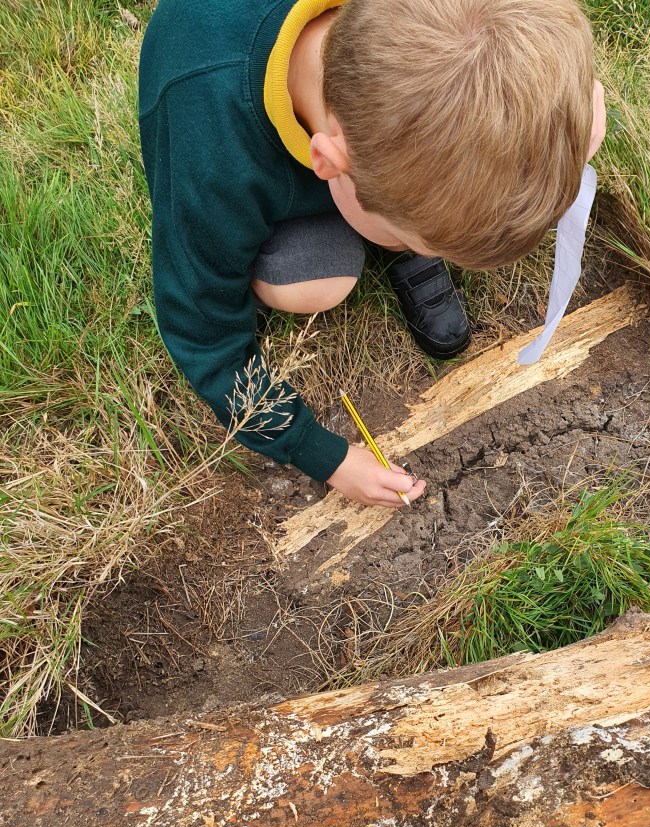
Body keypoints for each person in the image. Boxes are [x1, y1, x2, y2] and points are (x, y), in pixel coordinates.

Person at [139, 0, 606, 509]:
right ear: (329, 161)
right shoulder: (212, 155)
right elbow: (203, 334)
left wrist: (565, 129)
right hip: (234, 125)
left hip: (349, 164)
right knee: (319, 283)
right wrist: (326, 457)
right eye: (414, 243)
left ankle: (399, 212)